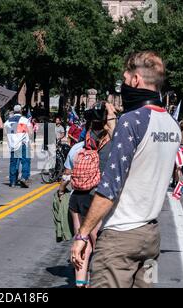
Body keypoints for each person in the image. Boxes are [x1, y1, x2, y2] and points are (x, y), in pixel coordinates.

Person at [71, 51, 181, 288]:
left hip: (120, 237)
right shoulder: (172, 126)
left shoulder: (132, 121)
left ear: (136, 80)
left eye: (125, 79)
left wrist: (82, 234)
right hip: (151, 236)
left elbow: (109, 188)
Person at [58, 102, 117, 288]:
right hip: (97, 198)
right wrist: (112, 116)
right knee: (100, 246)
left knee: (81, 241)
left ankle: (80, 283)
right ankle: (99, 282)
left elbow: (67, 174)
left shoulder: (78, 148)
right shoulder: (113, 147)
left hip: (77, 198)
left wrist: (61, 191)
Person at [5, 105, 32, 188]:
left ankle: (12, 181)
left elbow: (5, 133)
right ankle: (24, 178)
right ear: (21, 111)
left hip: (13, 145)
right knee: (25, 162)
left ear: (13, 111)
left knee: (13, 163)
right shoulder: (25, 120)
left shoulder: (7, 121)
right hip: (23, 144)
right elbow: (30, 132)